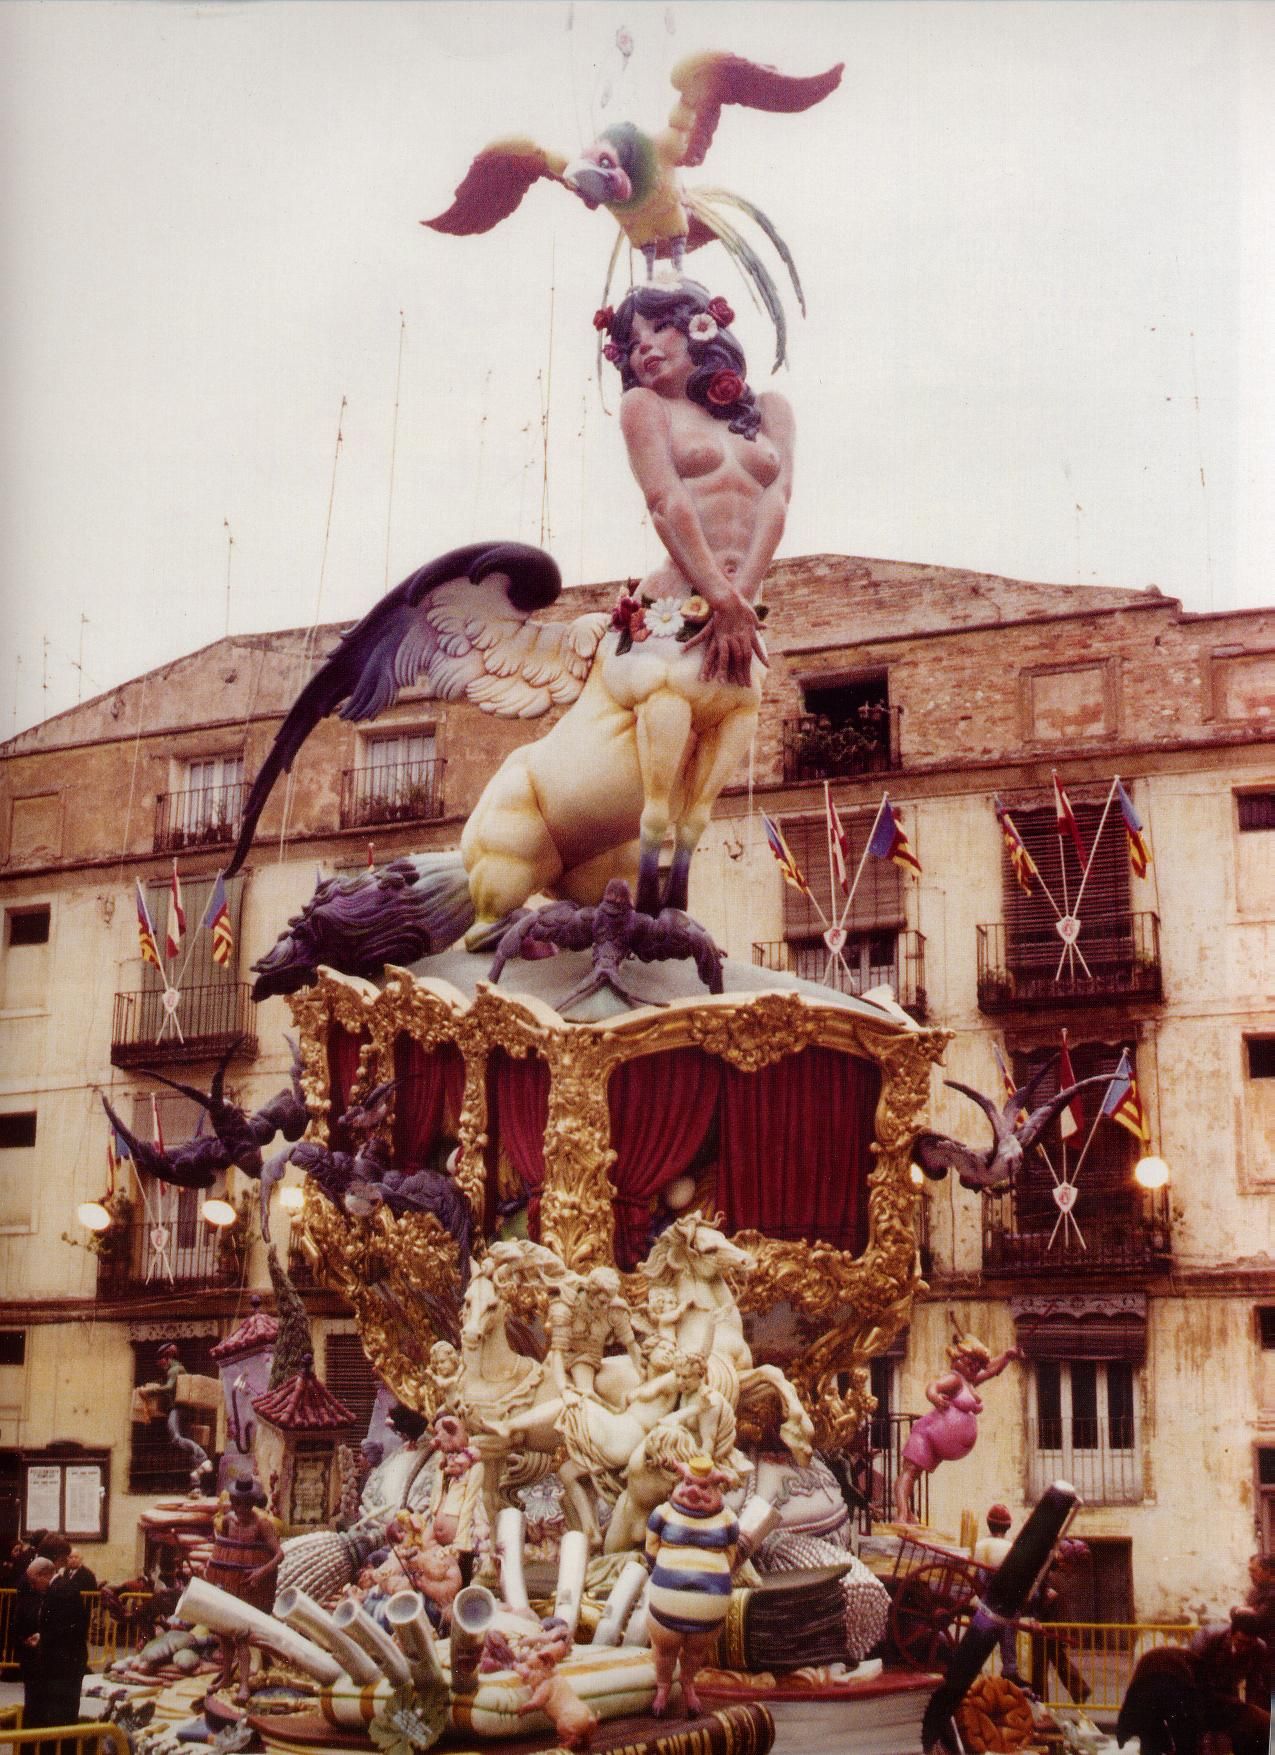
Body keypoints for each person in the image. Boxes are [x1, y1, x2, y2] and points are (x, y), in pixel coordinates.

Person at [592, 279, 794, 915]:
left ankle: (683, 862)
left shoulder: (770, 411)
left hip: (737, 608)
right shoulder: (644, 410)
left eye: (658, 329)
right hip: (678, 602)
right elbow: (666, 501)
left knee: (740, 710)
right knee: (671, 699)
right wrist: (720, 596)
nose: (643, 348)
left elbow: (776, 502)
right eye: (630, 342)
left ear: (698, 327)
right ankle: (650, 854)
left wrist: (743, 600)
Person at [892, 1324, 1023, 1524]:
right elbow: (933, 1386)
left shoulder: (969, 1382)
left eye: (977, 1364)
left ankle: (907, 1512)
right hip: (926, 1434)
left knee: (913, 1476)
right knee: (909, 1473)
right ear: (958, 1359)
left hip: (934, 1440)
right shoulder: (955, 1379)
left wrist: (1006, 1356)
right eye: (970, 1362)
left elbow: (991, 1370)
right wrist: (935, 1397)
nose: (974, 1367)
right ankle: (901, 1515)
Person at [201, 1476, 281, 1701]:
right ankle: (227, 1675)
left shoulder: (262, 1525)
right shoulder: (228, 1521)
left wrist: (261, 1572)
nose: (243, 1509)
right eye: (239, 1504)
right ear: (234, 1503)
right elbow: (223, 1548)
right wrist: (212, 1566)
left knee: (242, 1636)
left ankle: (244, 1684)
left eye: (247, 1504)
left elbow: (279, 1554)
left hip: (251, 1587)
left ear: (253, 1503)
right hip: (228, 1582)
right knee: (225, 1634)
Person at [1187, 1606, 1270, 1755]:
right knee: (1201, 1739)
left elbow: (1255, 1683)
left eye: (1249, 1644)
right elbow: (1193, 1676)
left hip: (1227, 1691)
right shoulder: (1207, 1638)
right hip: (1198, 1691)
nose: (1244, 1648)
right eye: (1240, 1642)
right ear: (1231, 1634)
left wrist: (1250, 1711)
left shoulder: (1259, 1648)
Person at [971, 1504, 1021, 1683]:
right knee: (1009, 1623)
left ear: (989, 1524)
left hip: (980, 1598)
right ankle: (1010, 1668)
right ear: (1007, 1527)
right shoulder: (1010, 1548)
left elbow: (974, 1573)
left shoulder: (978, 1545)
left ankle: (974, 1667)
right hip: (1001, 1601)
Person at [154, 1340, 212, 1491]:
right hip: (186, 1411)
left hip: (178, 1410)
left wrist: (149, 1391)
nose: (159, 1365)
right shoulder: (181, 1369)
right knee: (188, 1445)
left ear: (166, 1358)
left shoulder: (174, 1370)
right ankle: (196, 1485)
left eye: (160, 1361)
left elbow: (168, 1387)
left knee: (175, 1438)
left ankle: (203, 1456)